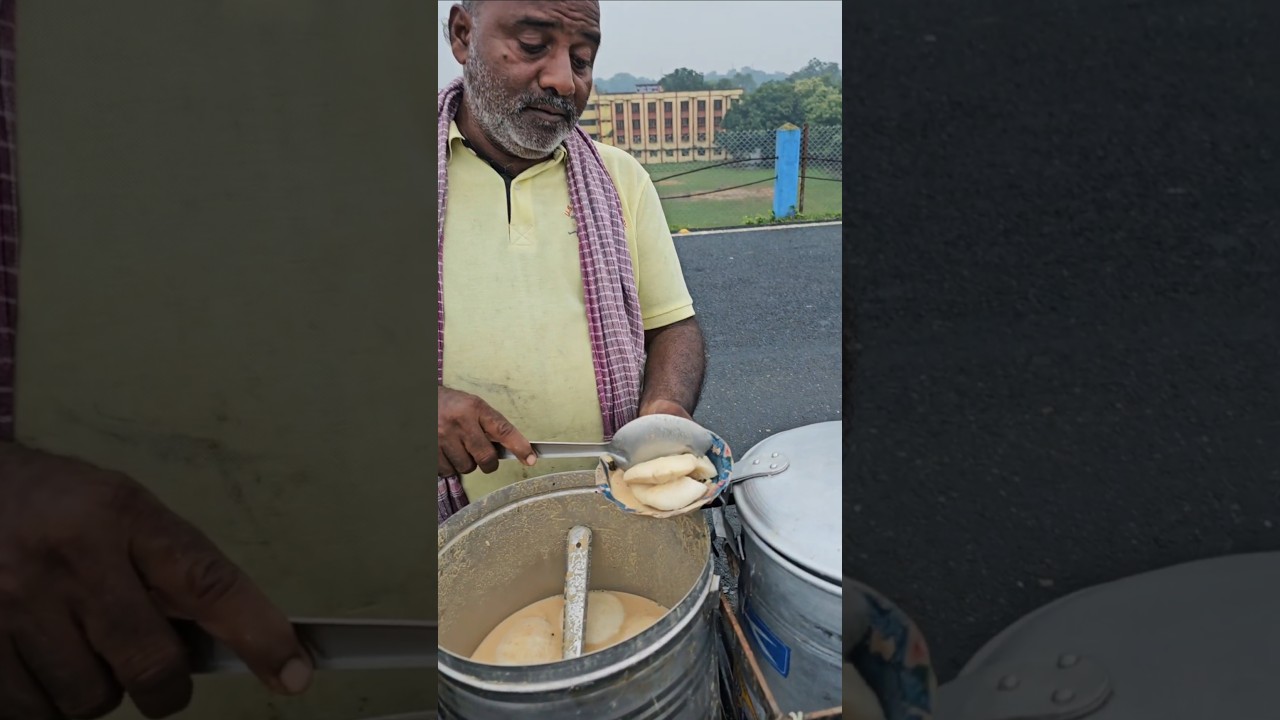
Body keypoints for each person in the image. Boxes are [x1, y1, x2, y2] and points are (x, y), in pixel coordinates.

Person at [437, 0, 707, 520]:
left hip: (615, 510)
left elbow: (673, 325)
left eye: (582, 59)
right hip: (452, 532)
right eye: (534, 46)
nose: (564, 81)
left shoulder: (621, 179)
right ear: (463, 35)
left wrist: (664, 411)